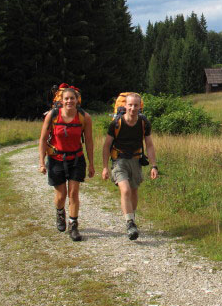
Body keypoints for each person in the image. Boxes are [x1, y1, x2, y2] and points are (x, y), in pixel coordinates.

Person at [38, 86, 95, 241]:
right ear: (61, 101)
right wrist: (42, 162)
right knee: (61, 195)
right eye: (66, 99)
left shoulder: (84, 117)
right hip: (56, 159)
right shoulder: (53, 115)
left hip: (76, 159)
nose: (70, 101)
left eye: (72, 98)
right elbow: (43, 139)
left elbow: (88, 141)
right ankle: (60, 212)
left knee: (73, 193)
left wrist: (91, 164)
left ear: (77, 100)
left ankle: (74, 225)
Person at [102, 93, 158, 240]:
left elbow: (150, 145)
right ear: (125, 106)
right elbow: (107, 145)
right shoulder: (116, 123)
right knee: (125, 190)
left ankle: (131, 219)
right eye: (130, 105)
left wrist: (154, 166)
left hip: (135, 160)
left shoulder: (143, 123)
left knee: (133, 191)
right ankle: (130, 222)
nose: (133, 108)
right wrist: (105, 167)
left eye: (136, 105)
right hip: (119, 160)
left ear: (140, 107)